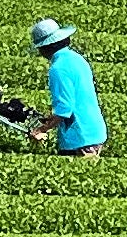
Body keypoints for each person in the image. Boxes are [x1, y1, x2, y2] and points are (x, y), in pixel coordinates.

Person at [27, 19, 105, 159]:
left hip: (80, 137)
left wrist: (41, 130)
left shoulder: (58, 68)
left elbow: (64, 110)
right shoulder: (77, 59)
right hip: (93, 129)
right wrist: (52, 119)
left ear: (44, 48)